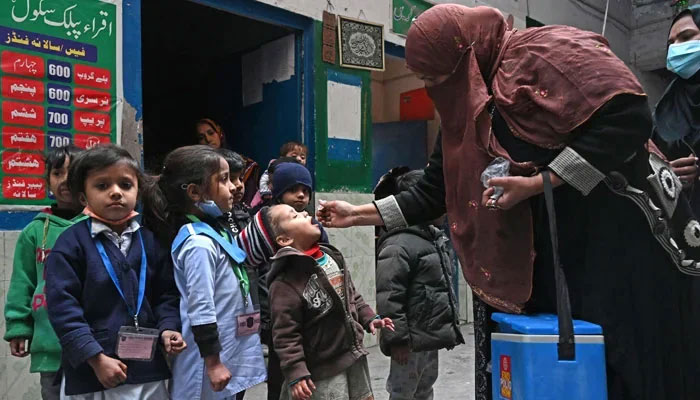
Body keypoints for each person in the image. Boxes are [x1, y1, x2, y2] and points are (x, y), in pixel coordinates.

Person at [317, 5, 700, 400]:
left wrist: (541, 182)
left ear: (463, 56)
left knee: (625, 369)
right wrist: (359, 213)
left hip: (622, 248)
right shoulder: (463, 105)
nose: (431, 87)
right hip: (548, 263)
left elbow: (630, 118)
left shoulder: (547, 52)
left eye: (434, 76)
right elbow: (434, 190)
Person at [45, 145, 185, 398]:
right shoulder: (70, 244)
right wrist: (94, 357)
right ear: (83, 198)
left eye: (125, 185)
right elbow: (63, 309)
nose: (116, 193)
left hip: (147, 370)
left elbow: (167, 294)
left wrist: (168, 328)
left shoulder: (151, 242)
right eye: (102, 186)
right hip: (94, 374)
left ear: (138, 192)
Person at [143, 145, 267, 399]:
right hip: (205, 362)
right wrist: (213, 363)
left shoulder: (215, 232)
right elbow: (202, 307)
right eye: (223, 180)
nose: (234, 186)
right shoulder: (197, 243)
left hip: (223, 353)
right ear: (195, 192)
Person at [261, 204, 394, 400]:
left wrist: (369, 318)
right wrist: (296, 373)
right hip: (321, 369)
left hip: (352, 356)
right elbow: (285, 335)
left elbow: (351, 295)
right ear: (284, 239)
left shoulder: (331, 256)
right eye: (295, 215)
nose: (305, 213)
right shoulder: (285, 283)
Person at [374, 169, 464, 400]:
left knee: (425, 385)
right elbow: (389, 297)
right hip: (408, 340)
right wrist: (398, 340)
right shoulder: (398, 245)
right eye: (438, 200)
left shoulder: (432, 238)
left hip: (427, 336)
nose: (445, 207)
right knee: (403, 390)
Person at [4, 146, 85, 400]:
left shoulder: (98, 226)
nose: (65, 180)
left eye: (72, 173)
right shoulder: (35, 231)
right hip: (50, 342)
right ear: (48, 182)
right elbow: (22, 282)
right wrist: (19, 327)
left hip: (93, 341)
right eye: (57, 173)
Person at [653, 5, 700, 204]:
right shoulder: (670, 103)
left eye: (687, 36)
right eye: (671, 43)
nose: (676, 47)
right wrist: (665, 172)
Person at [195, 118, 260, 206]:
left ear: (220, 134)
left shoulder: (245, 164)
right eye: (201, 137)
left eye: (211, 133)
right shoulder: (198, 169)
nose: (208, 139)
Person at [254, 141, 309, 208]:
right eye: (294, 156)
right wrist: (266, 193)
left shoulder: (303, 173)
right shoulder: (275, 166)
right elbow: (264, 179)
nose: (299, 159)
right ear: (283, 157)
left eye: (302, 157)